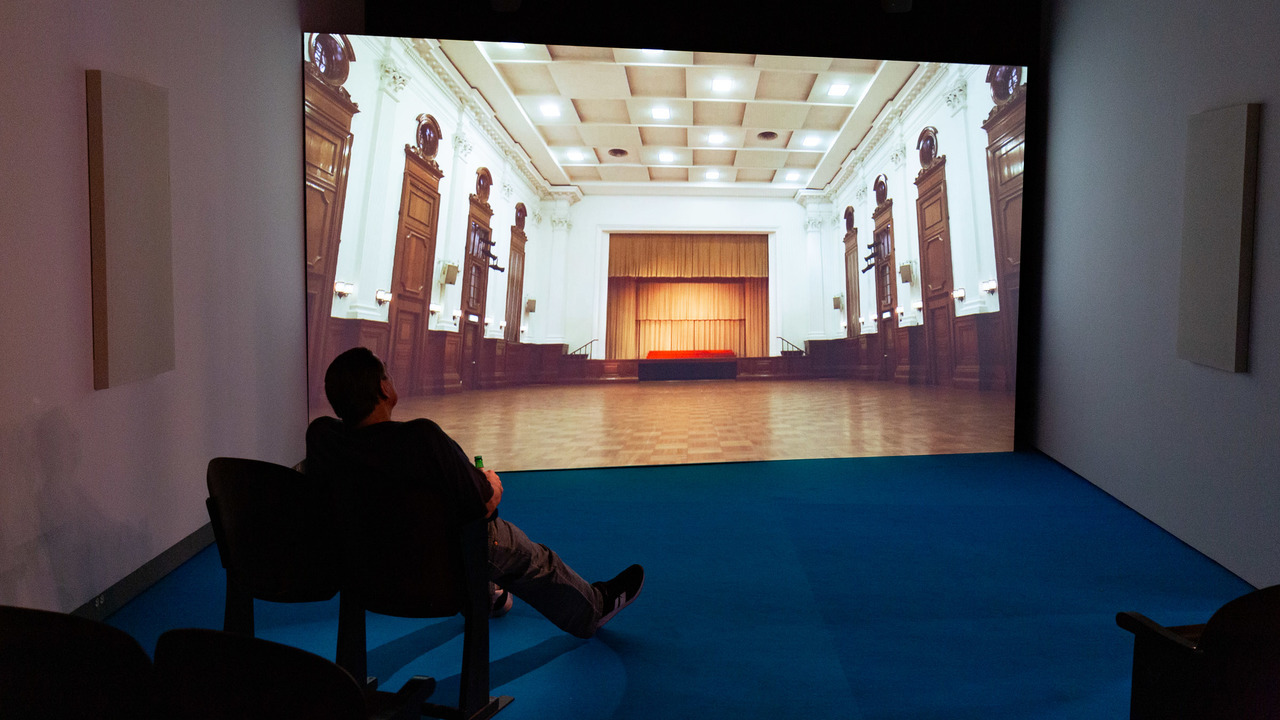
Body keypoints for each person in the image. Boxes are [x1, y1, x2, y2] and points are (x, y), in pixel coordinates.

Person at [306, 346, 643, 639]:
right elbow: (481, 505)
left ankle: (491, 596)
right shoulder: (422, 438)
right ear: (383, 388)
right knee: (528, 555)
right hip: (440, 569)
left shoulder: (324, 438)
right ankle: (593, 607)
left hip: (363, 566)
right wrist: (491, 483)